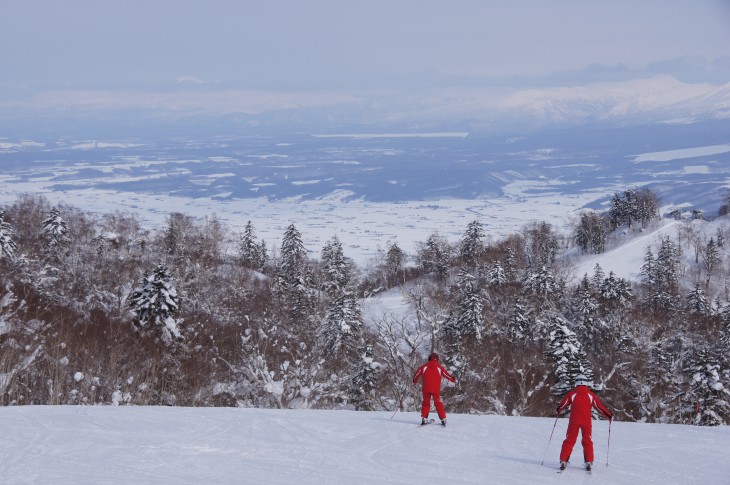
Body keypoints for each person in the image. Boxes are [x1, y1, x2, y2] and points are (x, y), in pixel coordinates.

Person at [556, 374, 613, 471]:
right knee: (587, 440)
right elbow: (599, 407)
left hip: (574, 421)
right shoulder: (591, 395)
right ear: (586, 383)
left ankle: (563, 460)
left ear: (576, 383)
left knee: (570, 440)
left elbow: (563, 405)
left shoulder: (572, 394)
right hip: (586, 422)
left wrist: (558, 409)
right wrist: (609, 415)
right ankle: (589, 462)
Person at [412, 352, 456, 426]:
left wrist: (414, 381)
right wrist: (453, 379)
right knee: (438, 403)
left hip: (426, 389)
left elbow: (417, 373)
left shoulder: (424, 367)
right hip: (435, 390)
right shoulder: (439, 367)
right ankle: (443, 419)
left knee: (426, 403)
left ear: (429, 359)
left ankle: (424, 419)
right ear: (437, 359)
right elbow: (446, 374)